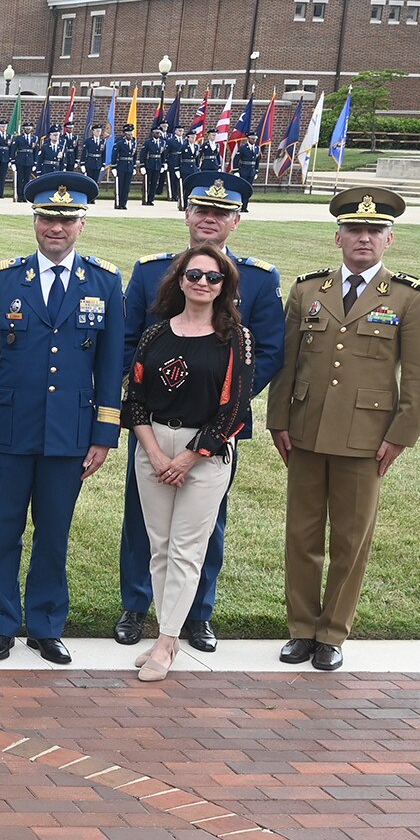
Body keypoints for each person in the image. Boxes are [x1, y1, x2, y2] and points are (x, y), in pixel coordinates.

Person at [267, 187, 420, 671]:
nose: (363, 238)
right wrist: (278, 419)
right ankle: (302, 629)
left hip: (366, 438)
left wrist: (400, 435)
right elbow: (287, 361)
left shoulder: (411, 296)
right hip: (304, 431)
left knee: (350, 539)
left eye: (374, 231)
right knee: (301, 534)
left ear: (390, 239)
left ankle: (332, 633)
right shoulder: (308, 291)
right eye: (354, 230)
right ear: (337, 236)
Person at [114, 172, 283, 652]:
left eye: (221, 212)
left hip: (216, 426)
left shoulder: (258, 277)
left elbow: (269, 351)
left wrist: (225, 407)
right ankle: (136, 605)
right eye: (201, 209)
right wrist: (145, 396)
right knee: (143, 522)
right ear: (187, 214)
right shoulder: (151, 272)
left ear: (235, 220)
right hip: (154, 419)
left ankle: (196, 614)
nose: (209, 218)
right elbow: (130, 342)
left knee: (205, 523)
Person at [0, 171, 124, 666]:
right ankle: (2, 624)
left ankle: (47, 624)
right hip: (10, 431)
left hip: (69, 433)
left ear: (82, 224)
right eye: (47, 218)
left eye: (66, 220)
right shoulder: (5, 278)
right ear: (35, 220)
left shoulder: (104, 280)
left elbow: (110, 364)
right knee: (4, 529)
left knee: (54, 531)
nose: (55, 228)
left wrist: (103, 434)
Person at [122, 245, 254, 681]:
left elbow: (234, 409)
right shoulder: (155, 334)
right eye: (194, 275)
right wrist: (157, 453)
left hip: (205, 455)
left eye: (212, 278)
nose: (202, 283)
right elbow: (135, 399)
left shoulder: (236, 337)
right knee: (159, 547)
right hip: (153, 446)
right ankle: (170, 635)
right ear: (179, 280)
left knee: (186, 549)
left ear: (225, 286)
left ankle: (164, 644)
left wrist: (188, 456)